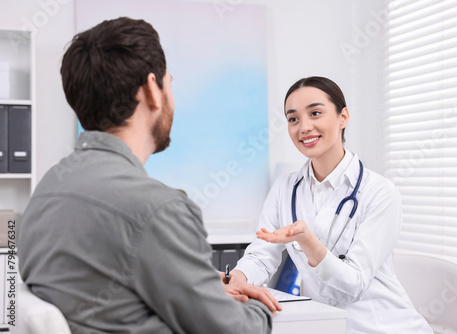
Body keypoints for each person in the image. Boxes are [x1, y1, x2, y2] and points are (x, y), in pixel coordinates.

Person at [18, 17, 280, 334]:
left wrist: (205, 291)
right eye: (169, 83)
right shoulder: (158, 208)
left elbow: (111, 294)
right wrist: (253, 307)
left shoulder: (46, 192)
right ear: (151, 90)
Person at [230, 76, 433, 333]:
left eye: (315, 113)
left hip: (381, 326)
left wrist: (308, 241)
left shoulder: (380, 192)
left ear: (343, 117)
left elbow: (354, 283)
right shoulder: (285, 188)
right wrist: (235, 279)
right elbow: (261, 256)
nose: (304, 127)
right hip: (324, 325)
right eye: (293, 119)